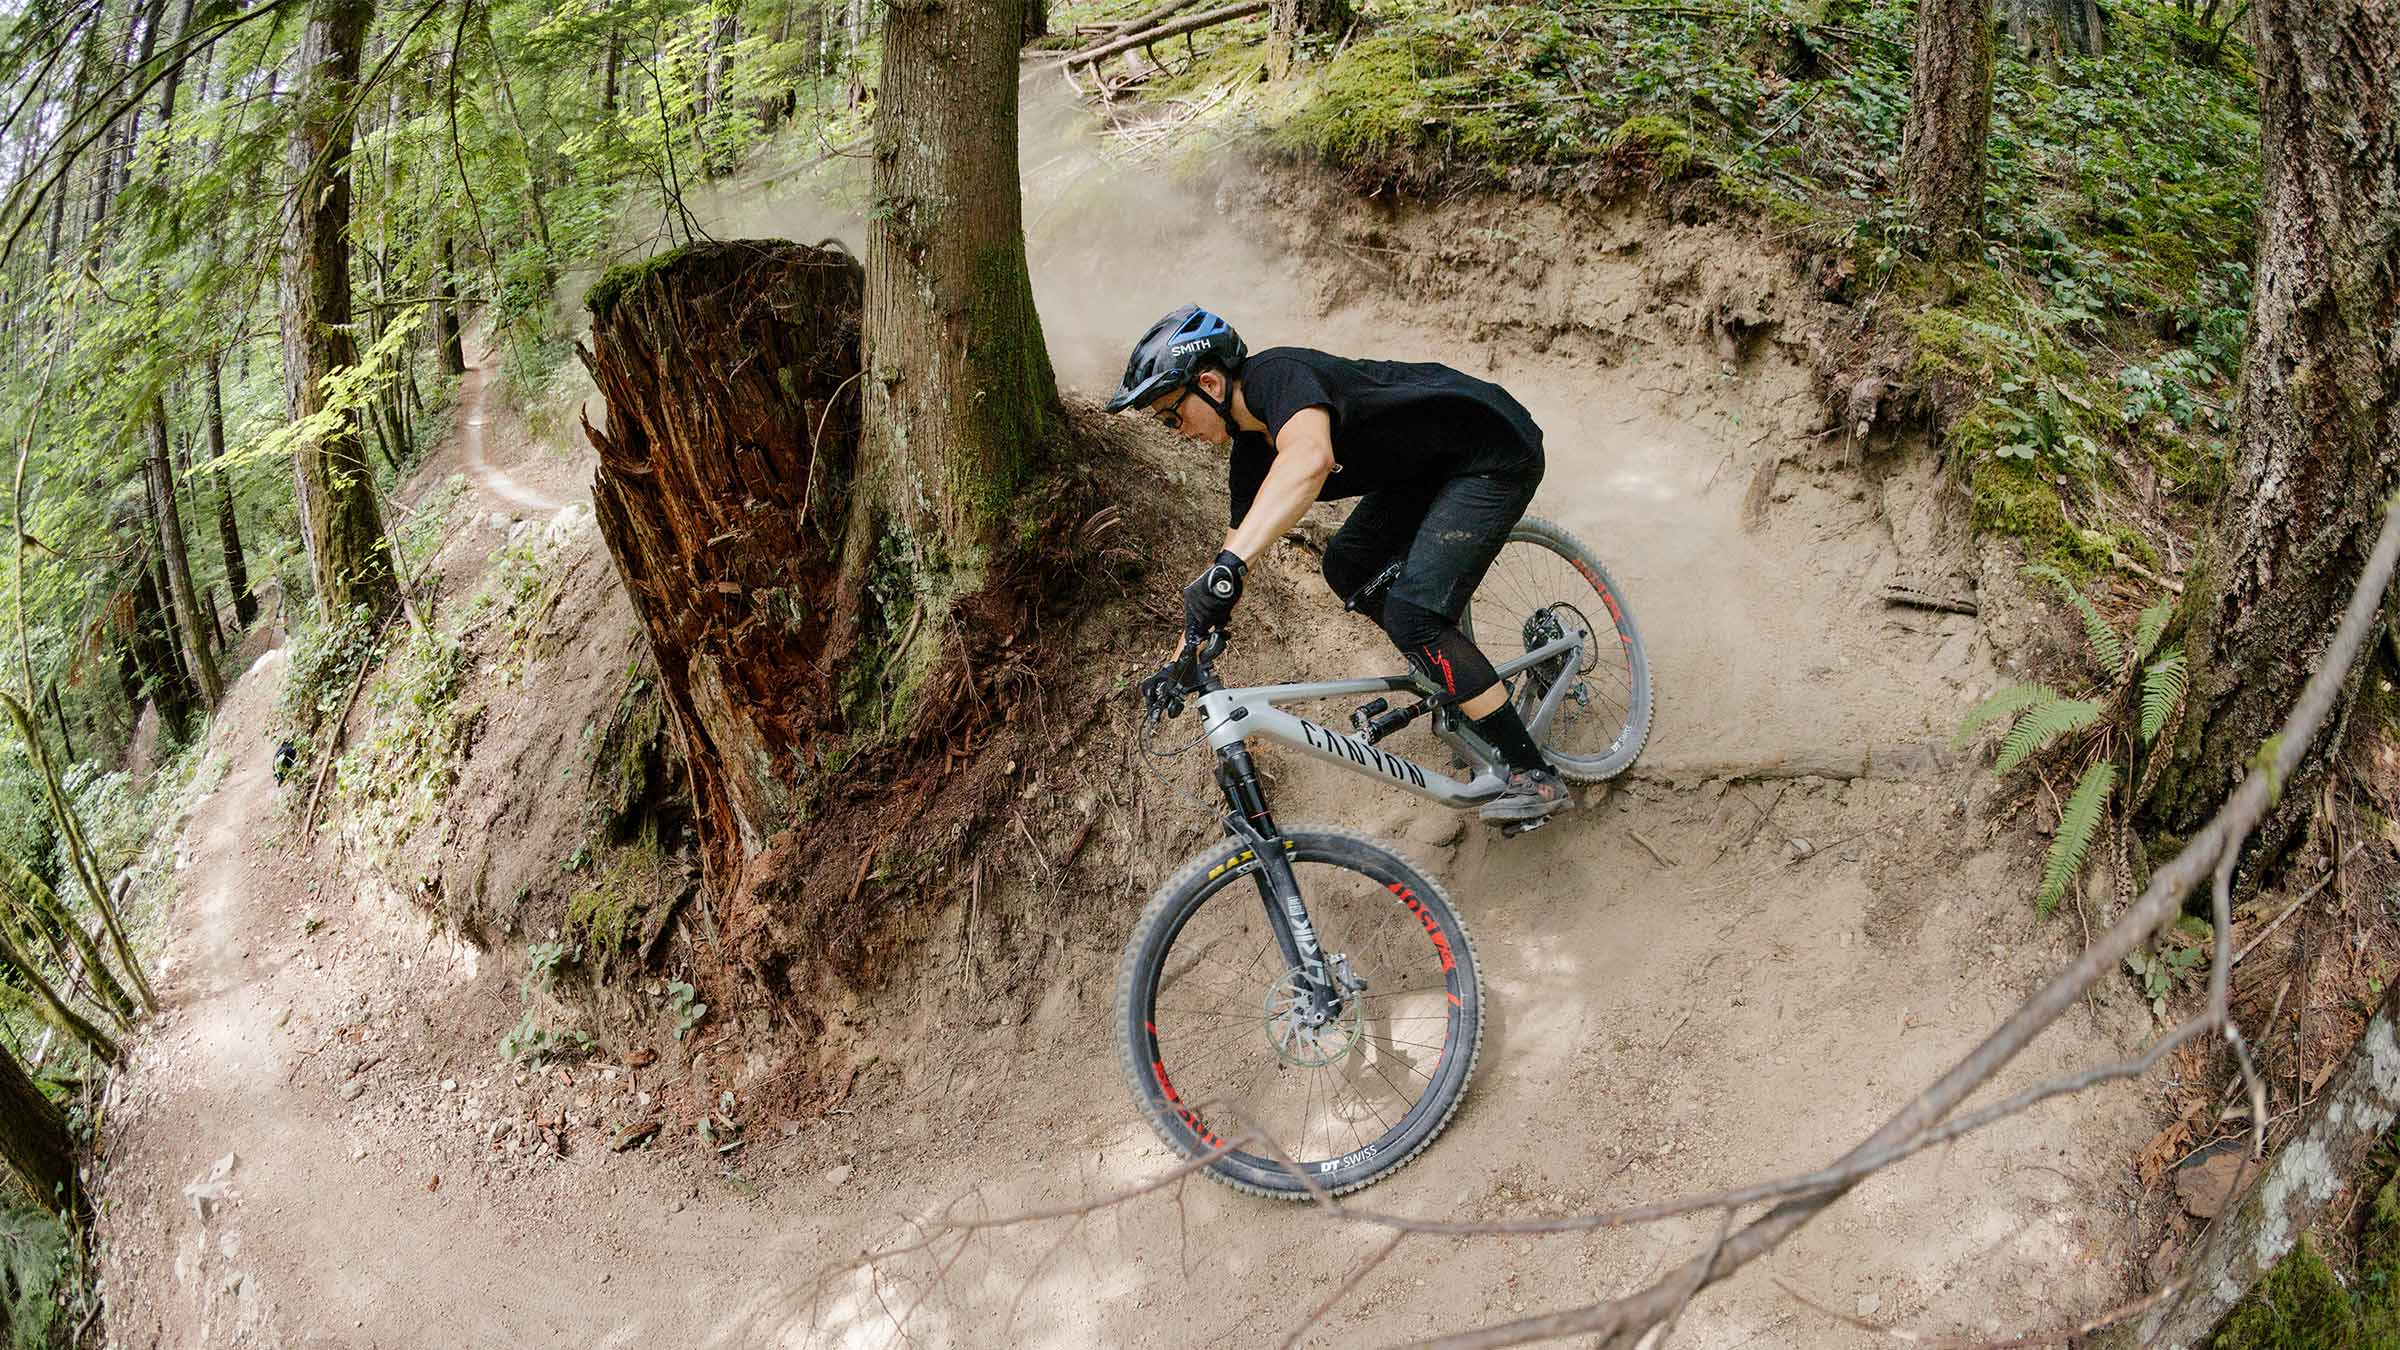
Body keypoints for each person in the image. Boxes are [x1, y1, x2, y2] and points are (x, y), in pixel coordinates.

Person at [1107, 304, 1569, 824]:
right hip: (1426, 471)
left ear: (1210, 384)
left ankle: (1536, 775)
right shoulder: (1250, 452)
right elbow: (1231, 556)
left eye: (1173, 414)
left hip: (1491, 453)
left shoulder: (1277, 376)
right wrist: (1182, 655)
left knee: (1414, 617)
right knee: (1347, 566)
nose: (1175, 429)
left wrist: (1230, 566)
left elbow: (1310, 458)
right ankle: (1454, 665)